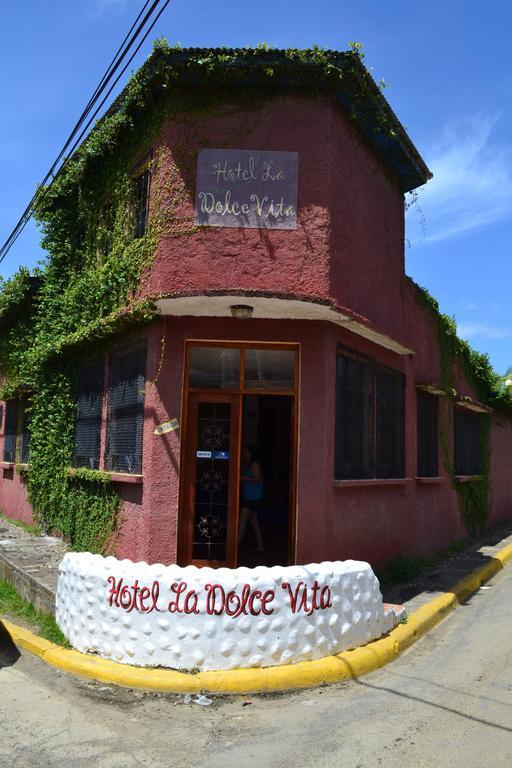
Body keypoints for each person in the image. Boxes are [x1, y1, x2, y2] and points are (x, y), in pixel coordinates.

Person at [238, 446, 264, 553]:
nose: (245, 454)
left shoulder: (255, 464)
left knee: (242, 521)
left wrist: (243, 478)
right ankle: (260, 546)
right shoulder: (248, 465)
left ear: (252, 453)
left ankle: (233, 548)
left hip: (253, 497)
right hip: (250, 496)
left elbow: (257, 480)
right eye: (244, 452)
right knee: (254, 523)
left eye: (247, 452)